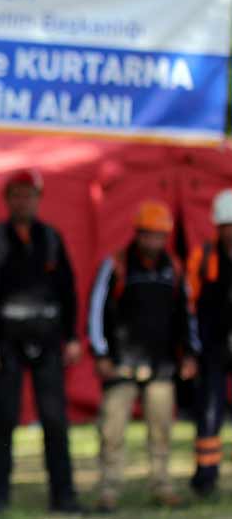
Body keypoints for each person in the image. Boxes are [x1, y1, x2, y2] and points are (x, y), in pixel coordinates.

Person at [0, 169, 82, 515]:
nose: (23, 201)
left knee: (55, 421)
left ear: (38, 199)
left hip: (47, 341)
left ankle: (63, 496)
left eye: (29, 195)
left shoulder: (51, 239)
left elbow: (68, 290)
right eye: (17, 195)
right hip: (6, 344)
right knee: (3, 420)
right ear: (7, 200)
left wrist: (72, 337)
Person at [88, 199, 199, 511]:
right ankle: (109, 489)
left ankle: (162, 484)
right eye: (149, 234)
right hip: (121, 363)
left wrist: (190, 354)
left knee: (161, 428)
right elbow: (96, 311)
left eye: (160, 235)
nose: (154, 241)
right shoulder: (118, 264)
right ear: (137, 233)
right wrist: (100, 353)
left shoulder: (173, 268)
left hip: (161, 364)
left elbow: (185, 314)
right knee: (111, 429)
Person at [188, 189, 232, 497]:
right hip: (213, 349)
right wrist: (193, 349)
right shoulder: (202, 257)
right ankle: (206, 477)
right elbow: (188, 305)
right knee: (209, 412)